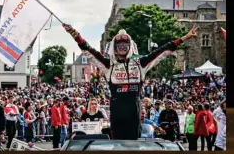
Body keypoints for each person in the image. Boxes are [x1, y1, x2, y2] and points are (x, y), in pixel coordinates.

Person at [63, 23, 198, 140]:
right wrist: (75, 35)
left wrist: (184, 38)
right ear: (114, 47)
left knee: (134, 142)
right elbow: (89, 52)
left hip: (135, 109)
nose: (122, 47)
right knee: (117, 142)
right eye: (119, 44)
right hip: (117, 110)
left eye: (125, 44)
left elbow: (162, 52)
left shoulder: (141, 63)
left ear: (130, 45)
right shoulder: (108, 64)